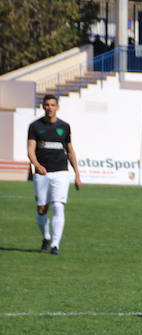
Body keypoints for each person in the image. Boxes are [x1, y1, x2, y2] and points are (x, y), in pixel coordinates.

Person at [27, 94, 82, 255]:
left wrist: (77, 175)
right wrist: (37, 165)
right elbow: (30, 149)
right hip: (41, 173)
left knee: (58, 206)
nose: (49, 107)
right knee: (42, 208)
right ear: (43, 107)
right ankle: (46, 237)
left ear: (57, 107)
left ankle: (55, 245)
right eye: (47, 105)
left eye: (52, 104)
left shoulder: (64, 127)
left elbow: (70, 151)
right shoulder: (35, 126)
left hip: (61, 172)